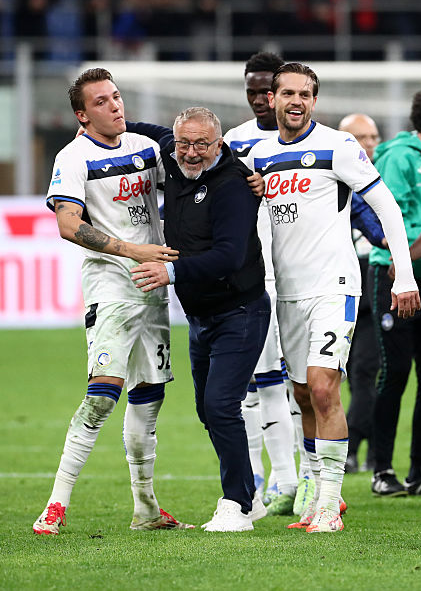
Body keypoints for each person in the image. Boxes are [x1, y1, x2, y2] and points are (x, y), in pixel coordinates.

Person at [247, 62, 420, 533]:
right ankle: (316, 492)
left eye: (305, 93)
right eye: (288, 93)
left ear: (314, 101)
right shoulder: (257, 155)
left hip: (334, 286)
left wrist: (403, 276)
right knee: (303, 394)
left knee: (324, 387)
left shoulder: (337, 146)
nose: (296, 101)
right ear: (272, 99)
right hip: (286, 293)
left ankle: (328, 502)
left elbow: (385, 206)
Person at [35, 68, 190, 535]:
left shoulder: (145, 148)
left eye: (117, 97)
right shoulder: (73, 156)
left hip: (153, 285)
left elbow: (182, 191)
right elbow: (67, 224)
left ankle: (145, 507)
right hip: (111, 285)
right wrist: (131, 249)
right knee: (103, 394)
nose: (115, 106)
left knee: (149, 395)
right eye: (101, 101)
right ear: (82, 115)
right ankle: (55, 506)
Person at [131, 106, 271, 531]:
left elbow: (228, 256)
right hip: (201, 315)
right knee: (207, 410)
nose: (191, 153)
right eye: (185, 143)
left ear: (220, 143)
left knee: (220, 405)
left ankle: (238, 505)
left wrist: (170, 271)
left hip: (240, 310)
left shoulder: (233, 186)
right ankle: (250, 496)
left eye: (202, 145)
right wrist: (104, 125)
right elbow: (138, 127)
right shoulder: (173, 153)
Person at [222, 51, 301, 517]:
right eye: (251, 91)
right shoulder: (233, 142)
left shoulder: (311, 138)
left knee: (306, 384)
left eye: (267, 90)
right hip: (255, 274)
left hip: (302, 274)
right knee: (258, 383)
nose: (259, 99)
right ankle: (271, 479)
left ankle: (306, 476)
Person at [368, 92, 421, 497]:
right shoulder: (399, 156)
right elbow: (387, 216)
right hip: (393, 275)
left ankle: (420, 471)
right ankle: (381, 468)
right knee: (395, 373)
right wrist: (404, 264)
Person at [339, 113, 385, 477]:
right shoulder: (329, 176)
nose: (368, 143)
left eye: (372, 136)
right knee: (340, 375)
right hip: (334, 286)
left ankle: (356, 448)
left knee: (365, 370)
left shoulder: (384, 177)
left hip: (372, 284)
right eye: (359, 137)